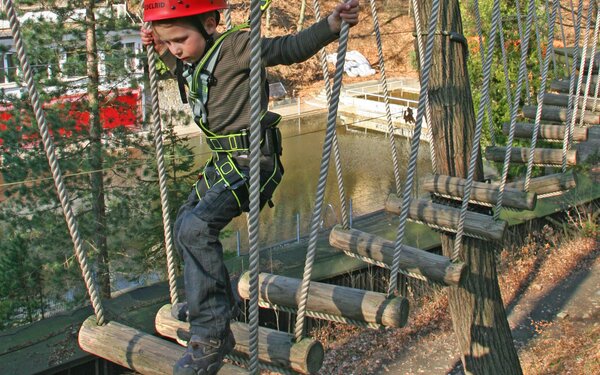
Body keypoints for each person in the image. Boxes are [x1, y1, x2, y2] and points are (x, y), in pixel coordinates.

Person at [141, 1, 360, 374]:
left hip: (254, 162)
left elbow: (286, 49)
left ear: (209, 23)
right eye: (170, 41)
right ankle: (210, 303)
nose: (176, 48)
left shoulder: (237, 46)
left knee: (196, 227)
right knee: (183, 224)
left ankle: (211, 335)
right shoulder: (197, 55)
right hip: (226, 160)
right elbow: (188, 70)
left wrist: (330, 25)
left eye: (180, 39)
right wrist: (162, 49)